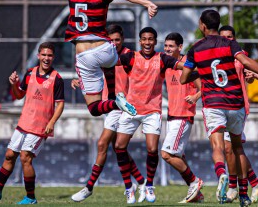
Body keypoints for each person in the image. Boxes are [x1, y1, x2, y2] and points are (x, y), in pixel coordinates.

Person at [22, 0, 158, 119]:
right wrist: (147, 3)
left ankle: (115, 102)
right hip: (105, 49)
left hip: (85, 56)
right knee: (112, 62)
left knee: (94, 108)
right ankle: (116, 95)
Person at [180, 10, 258, 207]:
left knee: (218, 146)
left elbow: (183, 78)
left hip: (213, 103)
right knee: (237, 147)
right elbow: (246, 62)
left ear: (202, 25)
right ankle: (244, 195)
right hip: (235, 103)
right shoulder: (230, 44)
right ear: (218, 26)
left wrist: (200, 71)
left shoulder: (195, 48)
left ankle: (221, 174)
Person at [0, 42, 65, 204]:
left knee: (25, 158)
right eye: (43, 55)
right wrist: (14, 84)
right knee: (9, 156)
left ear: (53, 57)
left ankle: (30, 197)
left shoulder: (57, 79)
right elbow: (18, 95)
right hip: (24, 123)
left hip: (40, 126)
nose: (46, 58)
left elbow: (60, 104)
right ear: (38, 56)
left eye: (49, 55)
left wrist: (52, 122)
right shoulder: (30, 73)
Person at [70, 25, 145, 202]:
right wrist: (81, 82)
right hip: (109, 105)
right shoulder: (105, 54)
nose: (114, 43)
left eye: (117, 39)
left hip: (123, 107)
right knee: (118, 148)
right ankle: (141, 182)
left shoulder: (129, 56)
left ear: (123, 39)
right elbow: (95, 76)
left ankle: (89, 187)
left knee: (102, 144)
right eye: (110, 40)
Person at [114, 27, 186, 204]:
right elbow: (106, 63)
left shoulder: (162, 59)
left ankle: (149, 185)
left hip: (152, 111)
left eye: (151, 39)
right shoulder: (130, 57)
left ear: (155, 41)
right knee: (119, 146)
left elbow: (184, 66)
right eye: (144, 39)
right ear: (140, 41)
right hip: (131, 109)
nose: (147, 42)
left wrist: (203, 68)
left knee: (153, 149)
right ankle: (128, 188)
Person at [218, 26, 258, 204]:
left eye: (230, 37)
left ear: (235, 38)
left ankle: (235, 187)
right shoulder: (215, 56)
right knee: (233, 148)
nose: (226, 40)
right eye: (223, 37)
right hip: (221, 106)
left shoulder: (240, 55)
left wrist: (251, 77)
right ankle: (255, 184)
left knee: (231, 147)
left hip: (238, 106)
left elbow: (250, 75)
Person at [160, 32, 204, 204]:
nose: (167, 49)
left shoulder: (188, 65)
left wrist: (195, 97)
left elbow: (203, 88)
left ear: (180, 47)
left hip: (183, 115)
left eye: (171, 46)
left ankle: (195, 181)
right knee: (179, 156)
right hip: (172, 115)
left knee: (166, 154)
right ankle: (196, 194)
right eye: (165, 46)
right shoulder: (167, 65)